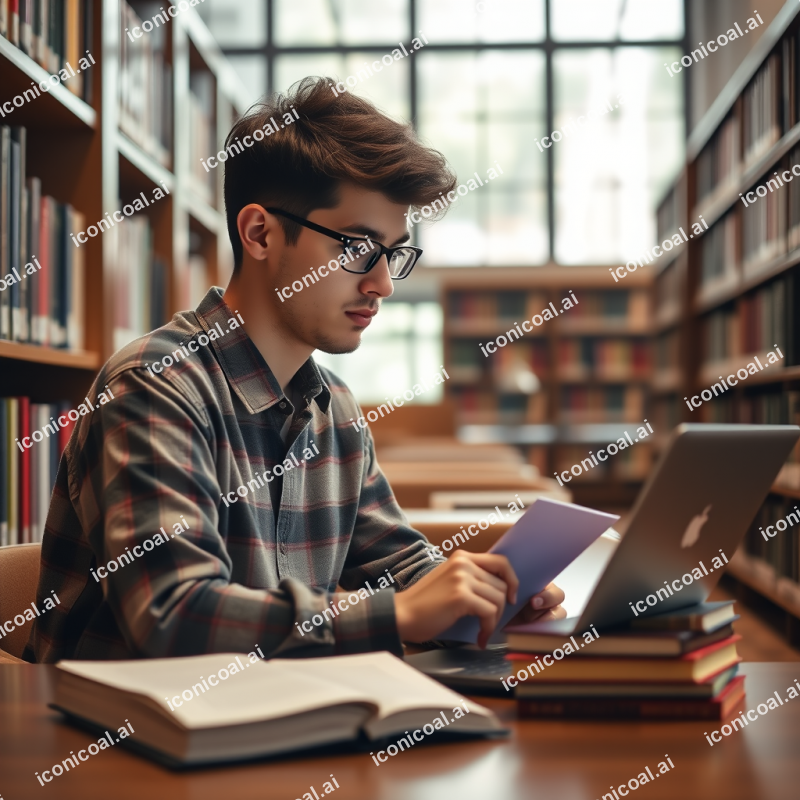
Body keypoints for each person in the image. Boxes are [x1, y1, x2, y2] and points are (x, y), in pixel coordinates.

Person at [26, 77, 564, 663]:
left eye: (394, 254)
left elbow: (399, 564)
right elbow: (171, 613)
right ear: (260, 233)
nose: (382, 284)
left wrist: (489, 596)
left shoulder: (334, 406)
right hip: (119, 743)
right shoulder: (156, 384)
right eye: (357, 247)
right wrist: (397, 615)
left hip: (277, 721)